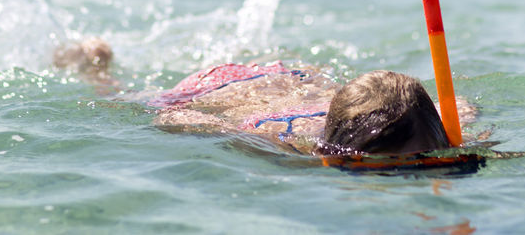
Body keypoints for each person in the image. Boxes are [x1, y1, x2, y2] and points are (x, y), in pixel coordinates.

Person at [55, 37, 478, 157]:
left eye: (421, 161)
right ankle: (96, 66)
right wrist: (200, 124)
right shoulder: (281, 141)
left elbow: (459, 109)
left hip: (291, 80)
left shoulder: (434, 126)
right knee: (128, 100)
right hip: (223, 85)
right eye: (389, 170)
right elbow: (180, 120)